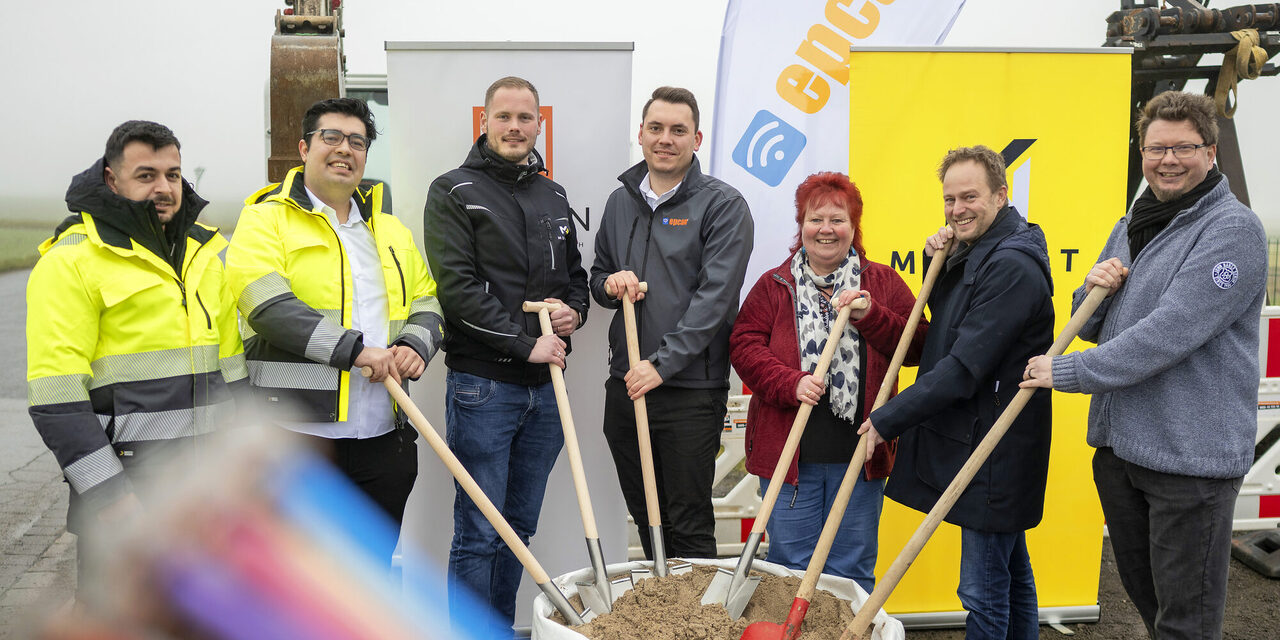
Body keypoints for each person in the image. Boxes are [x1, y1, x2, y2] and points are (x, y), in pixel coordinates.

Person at [1021, 91, 1266, 639]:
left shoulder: (1232, 231)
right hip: (1124, 452)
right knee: (1153, 609)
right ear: (1142, 152)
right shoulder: (1133, 222)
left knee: (1187, 622)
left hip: (1189, 461)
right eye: (1156, 148)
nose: (1168, 160)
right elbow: (1092, 324)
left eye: (1184, 147)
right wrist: (1094, 289)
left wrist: (1068, 374)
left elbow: (1167, 334)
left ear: (1210, 151)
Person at [27, 120, 248, 581]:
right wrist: (112, 501)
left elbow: (233, 375)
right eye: (146, 175)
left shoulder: (204, 254)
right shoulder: (72, 261)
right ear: (112, 179)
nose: (163, 188)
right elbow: (56, 399)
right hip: (130, 496)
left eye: (172, 174)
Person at [225, 98, 442, 562]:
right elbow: (266, 304)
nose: (345, 149)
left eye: (357, 142)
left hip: (385, 439)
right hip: (298, 439)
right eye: (332, 137)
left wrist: (413, 346)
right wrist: (356, 350)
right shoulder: (264, 219)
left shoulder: (389, 229)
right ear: (304, 148)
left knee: (368, 581)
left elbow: (426, 300)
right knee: (296, 585)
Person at [859, 145, 1054, 639]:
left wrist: (886, 420)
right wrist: (939, 262)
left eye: (970, 197)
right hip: (983, 438)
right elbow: (947, 326)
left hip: (995, 448)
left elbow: (964, 366)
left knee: (984, 591)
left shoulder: (1012, 267)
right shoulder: (979, 252)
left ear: (1001, 196)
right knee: (1012, 575)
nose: (957, 208)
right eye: (949, 199)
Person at [422, 76, 589, 634]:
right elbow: (457, 290)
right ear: (485, 122)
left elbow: (575, 280)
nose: (515, 127)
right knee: (479, 529)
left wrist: (573, 314)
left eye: (525, 118)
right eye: (504, 117)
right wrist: (525, 343)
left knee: (517, 526)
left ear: (539, 124)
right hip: (483, 388)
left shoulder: (554, 194)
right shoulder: (453, 191)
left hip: (547, 393)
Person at [729, 172, 926, 593]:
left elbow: (919, 346)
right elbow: (743, 346)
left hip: (860, 454)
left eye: (837, 220)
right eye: (815, 219)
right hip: (790, 456)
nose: (826, 230)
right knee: (789, 570)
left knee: (851, 572)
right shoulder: (774, 285)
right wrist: (789, 382)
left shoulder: (882, 283)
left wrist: (871, 316)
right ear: (801, 225)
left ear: (854, 228)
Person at [590, 86, 754, 560]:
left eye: (678, 130)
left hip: (688, 389)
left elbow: (716, 300)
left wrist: (660, 365)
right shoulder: (620, 202)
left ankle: (697, 627)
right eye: (656, 128)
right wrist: (610, 284)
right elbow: (597, 278)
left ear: (696, 139)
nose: (666, 139)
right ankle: (662, 614)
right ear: (640, 134)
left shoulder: (722, 205)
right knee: (646, 516)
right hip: (626, 384)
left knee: (687, 519)